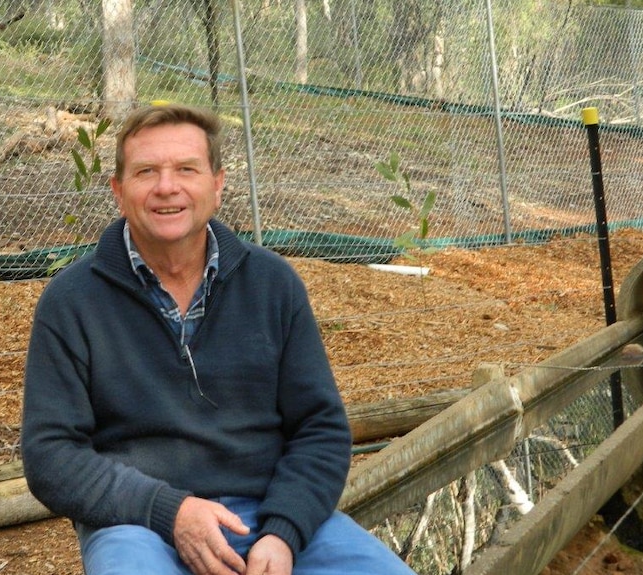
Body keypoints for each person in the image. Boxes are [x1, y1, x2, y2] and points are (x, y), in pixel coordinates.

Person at [21, 103, 416, 575]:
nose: (167, 187)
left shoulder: (273, 284)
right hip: (142, 525)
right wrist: (171, 511)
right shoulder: (71, 301)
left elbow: (321, 428)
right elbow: (50, 456)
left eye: (186, 169)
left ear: (218, 185)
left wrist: (285, 532)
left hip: (269, 514)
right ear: (119, 192)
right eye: (147, 171)